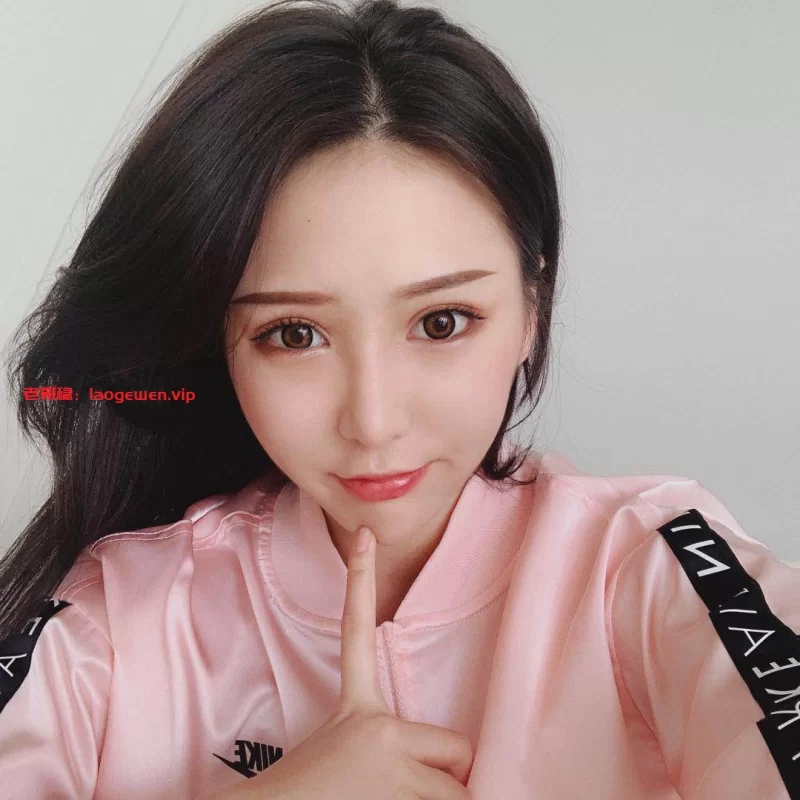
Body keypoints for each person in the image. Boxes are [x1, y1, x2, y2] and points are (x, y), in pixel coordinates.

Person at [0, 1, 797, 798]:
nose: (374, 422)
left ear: (532, 308)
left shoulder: (648, 567)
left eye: (441, 322)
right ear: (220, 343)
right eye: (293, 334)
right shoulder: (119, 615)